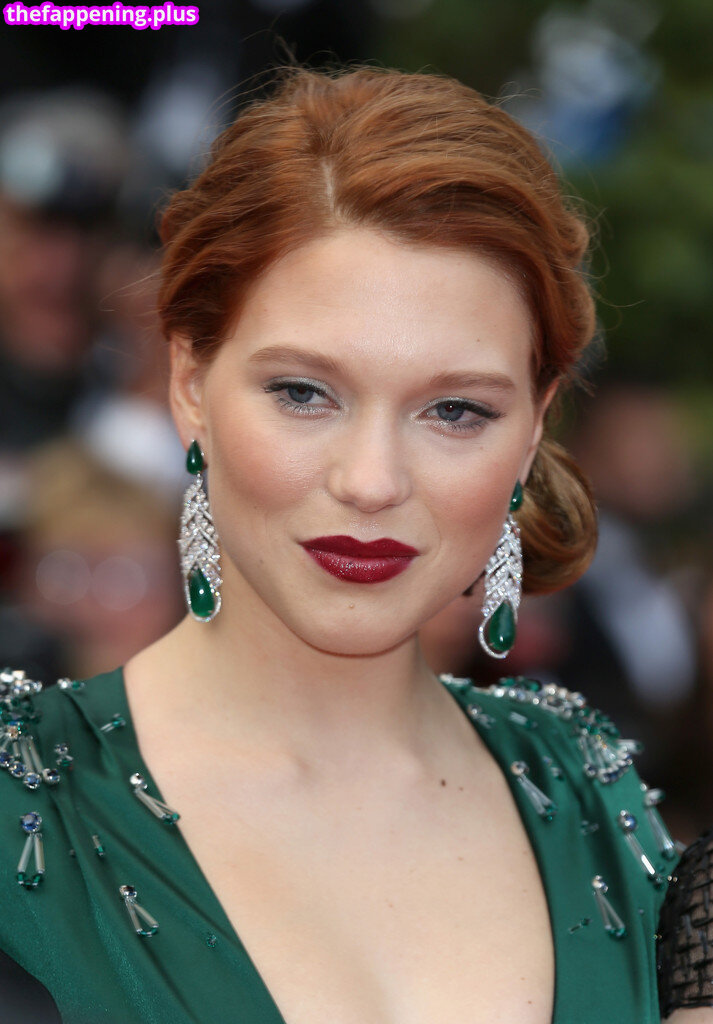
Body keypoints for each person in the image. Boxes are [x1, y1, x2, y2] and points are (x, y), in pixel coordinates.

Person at [0, 63, 690, 1023]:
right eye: (303, 393)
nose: (371, 481)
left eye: (454, 410)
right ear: (190, 382)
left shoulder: (590, 792)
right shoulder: (21, 802)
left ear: (534, 426)